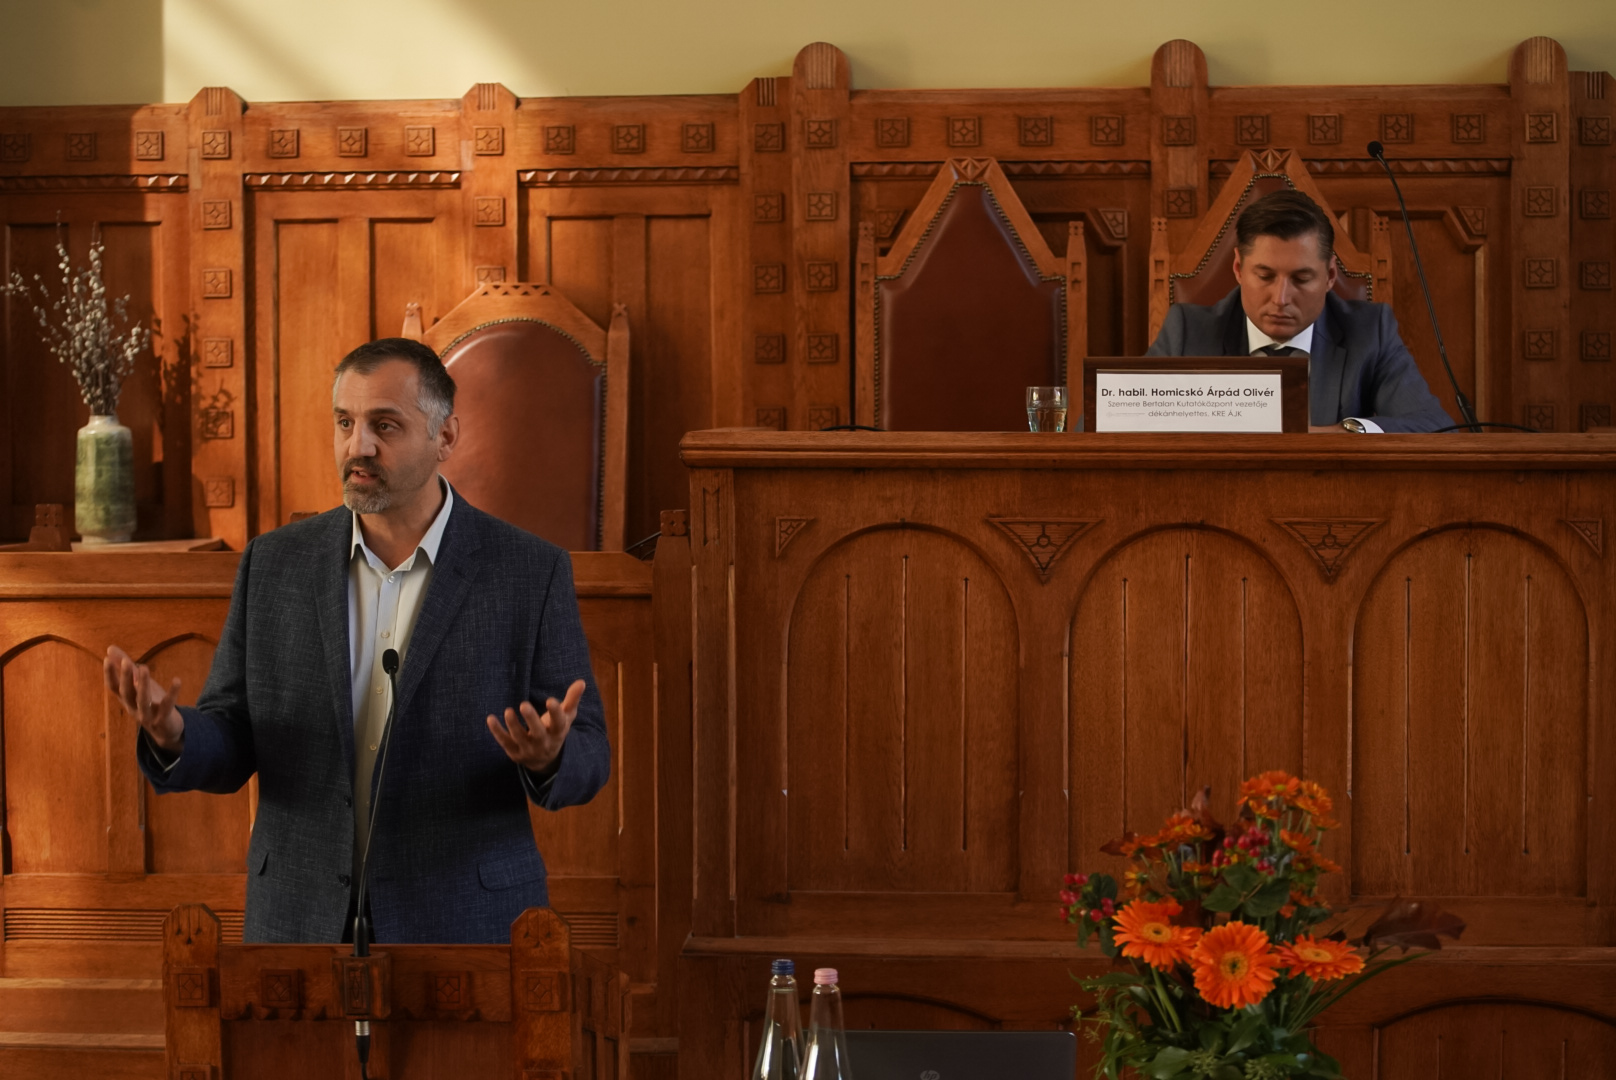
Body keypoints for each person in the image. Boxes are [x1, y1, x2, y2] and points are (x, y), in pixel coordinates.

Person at [103, 337, 609, 944]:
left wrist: (549, 756)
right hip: (300, 920)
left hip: (462, 923)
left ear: (445, 436)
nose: (357, 446)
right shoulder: (275, 564)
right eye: (345, 422)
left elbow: (590, 752)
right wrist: (175, 734)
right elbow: (234, 733)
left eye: (384, 425)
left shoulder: (528, 570)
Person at [1146, 188, 1453, 433]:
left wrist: (1340, 434)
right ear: (1238, 268)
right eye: (1265, 276)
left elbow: (1434, 425)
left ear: (1329, 275)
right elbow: (1129, 421)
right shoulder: (1187, 332)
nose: (1281, 298)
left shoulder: (1371, 331)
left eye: (1301, 279)